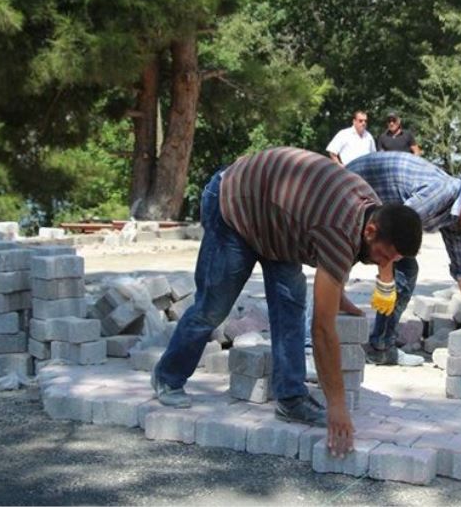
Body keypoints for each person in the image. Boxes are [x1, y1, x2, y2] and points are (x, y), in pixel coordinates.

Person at [151, 147, 422, 457]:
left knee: (291, 307)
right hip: (236, 207)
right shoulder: (339, 229)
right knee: (213, 307)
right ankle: (167, 377)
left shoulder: (370, 213)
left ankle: (290, 397)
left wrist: (338, 295)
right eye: (383, 256)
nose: (381, 264)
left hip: (277, 223)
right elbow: (322, 329)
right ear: (370, 231)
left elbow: (338, 258)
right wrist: (337, 406)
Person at [346, 152, 461, 365]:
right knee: (340, 261)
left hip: (380, 210)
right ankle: (314, 344)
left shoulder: (455, 216)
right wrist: (385, 282)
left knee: (405, 267)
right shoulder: (442, 193)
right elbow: (394, 228)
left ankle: (380, 346)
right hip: (351, 194)